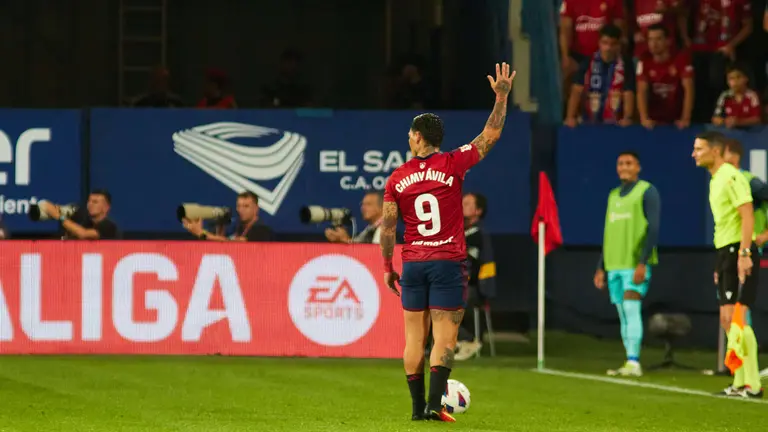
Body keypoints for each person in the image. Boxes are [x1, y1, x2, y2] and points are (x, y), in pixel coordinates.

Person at [380, 62, 515, 422]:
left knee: (414, 339)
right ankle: (433, 404)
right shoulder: (454, 163)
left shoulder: (396, 178)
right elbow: (491, 134)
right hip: (448, 263)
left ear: (418, 137)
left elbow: (388, 228)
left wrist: (387, 267)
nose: (409, 138)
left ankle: (416, 409)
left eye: (410, 134)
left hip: (414, 263)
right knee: (445, 339)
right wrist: (501, 97)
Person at [691, 131, 762, 398]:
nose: (694, 154)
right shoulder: (715, 179)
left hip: (737, 250)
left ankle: (753, 385)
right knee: (727, 319)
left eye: (699, 149)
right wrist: (718, 265)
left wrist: (744, 253)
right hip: (725, 252)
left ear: (715, 151)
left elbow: (747, 215)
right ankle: (739, 382)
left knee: (738, 318)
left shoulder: (731, 176)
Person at [593, 151, 660, 377]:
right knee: (622, 313)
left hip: (633, 263)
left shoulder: (647, 191)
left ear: (638, 167)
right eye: (620, 163)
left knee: (631, 309)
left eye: (629, 163)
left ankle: (634, 361)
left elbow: (653, 228)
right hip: (614, 263)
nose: (624, 167)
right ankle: (629, 360)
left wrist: (643, 262)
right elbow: (608, 233)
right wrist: (601, 266)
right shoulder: (613, 195)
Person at [565, 24, 636, 127]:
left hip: (617, 122)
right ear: (599, 43)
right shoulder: (588, 62)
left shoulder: (626, 64)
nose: (608, 48)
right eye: (605, 43)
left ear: (619, 45)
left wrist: (627, 117)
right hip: (589, 120)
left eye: (613, 44)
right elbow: (576, 90)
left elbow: (628, 92)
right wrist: (570, 116)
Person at [455, 192, 497, 361]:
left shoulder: (479, 235)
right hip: (453, 284)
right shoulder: (456, 233)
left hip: (474, 287)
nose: (461, 206)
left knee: (445, 300)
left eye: (467, 204)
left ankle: (468, 340)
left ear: (478, 211)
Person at [636, 24, 694, 129]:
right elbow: (641, 91)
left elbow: (689, 89)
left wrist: (685, 118)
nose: (654, 44)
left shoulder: (681, 58)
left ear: (668, 41)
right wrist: (644, 118)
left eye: (658, 39)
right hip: (654, 122)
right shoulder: (644, 59)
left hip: (677, 121)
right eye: (650, 39)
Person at [183, 191, 273, 241]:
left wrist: (201, 233)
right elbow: (224, 244)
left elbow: (234, 244)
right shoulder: (239, 227)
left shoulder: (261, 229)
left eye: (246, 206)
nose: (241, 210)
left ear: (256, 209)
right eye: (239, 206)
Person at [42, 190, 120, 240]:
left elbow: (83, 234)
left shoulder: (109, 226)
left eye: (95, 202)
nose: (90, 204)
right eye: (89, 201)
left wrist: (59, 216)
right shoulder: (86, 223)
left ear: (106, 207)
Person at [712, 64, 762, 129]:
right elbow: (715, 118)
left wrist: (738, 122)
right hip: (729, 132)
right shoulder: (724, 96)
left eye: (738, 77)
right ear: (727, 82)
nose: (735, 81)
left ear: (746, 79)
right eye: (731, 78)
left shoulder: (752, 95)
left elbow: (757, 119)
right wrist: (722, 121)